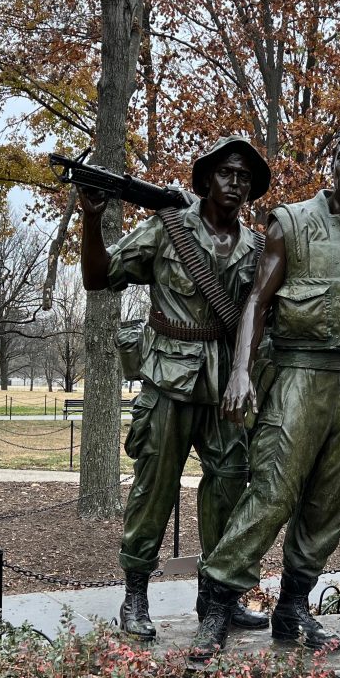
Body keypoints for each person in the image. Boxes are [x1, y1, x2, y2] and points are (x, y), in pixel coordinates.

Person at [191, 127, 340, 658]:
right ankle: (217, 603)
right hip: (300, 375)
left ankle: (292, 606)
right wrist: (241, 371)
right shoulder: (291, 222)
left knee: (330, 503)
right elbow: (257, 302)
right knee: (272, 492)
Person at [78, 137, 272, 639]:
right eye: (227, 172)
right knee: (154, 489)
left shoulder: (257, 248)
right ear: (206, 179)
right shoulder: (167, 228)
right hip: (168, 379)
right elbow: (98, 277)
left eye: (245, 177)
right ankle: (135, 596)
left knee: (229, 486)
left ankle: (217, 598)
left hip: (226, 387)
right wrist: (92, 220)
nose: (236, 183)